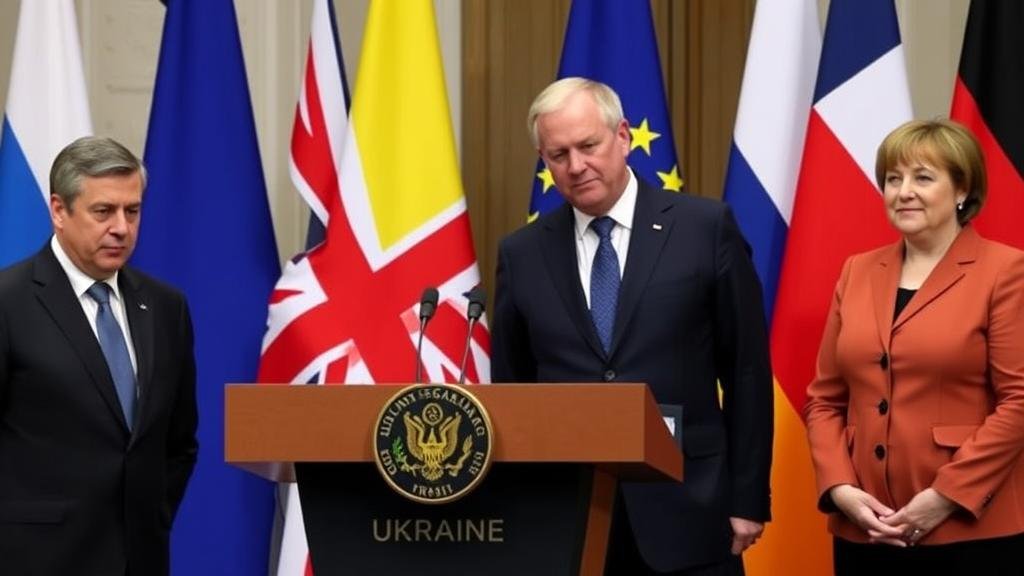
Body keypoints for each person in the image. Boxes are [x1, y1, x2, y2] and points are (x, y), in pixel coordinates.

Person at [490, 77, 773, 575]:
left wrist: (748, 496)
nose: (576, 166)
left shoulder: (704, 229)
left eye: (588, 146)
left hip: (690, 506)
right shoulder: (522, 253)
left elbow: (746, 370)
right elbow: (513, 388)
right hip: (567, 516)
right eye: (557, 155)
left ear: (622, 136)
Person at [805, 119, 1024, 575]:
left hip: (968, 528)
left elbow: (1019, 401)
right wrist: (841, 489)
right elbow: (824, 400)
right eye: (893, 178)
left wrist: (945, 497)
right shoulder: (857, 271)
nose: (904, 191)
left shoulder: (1005, 271)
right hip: (863, 527)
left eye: (923, 177)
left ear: (962, 189)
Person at [0, 136, 198, 575]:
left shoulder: (167, 307)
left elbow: (178, 442)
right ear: (58, 211)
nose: (122, 228)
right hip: (33, 560)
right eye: (103, 211)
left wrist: (151, 518)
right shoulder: (8, 302)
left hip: (140, 558)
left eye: (133, 210)